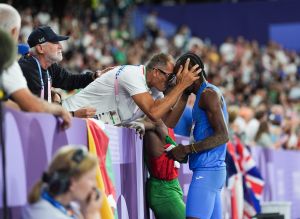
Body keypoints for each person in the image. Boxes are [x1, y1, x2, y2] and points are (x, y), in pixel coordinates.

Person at [167, 52, 229, 219]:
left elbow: (223, 135)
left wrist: (188, 149)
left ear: (193, 71)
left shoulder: (208, 95)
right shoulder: (199, 94)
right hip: (212, 170)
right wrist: (184, 92)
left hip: (207, 170)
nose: (177, 79)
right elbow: (170, 123)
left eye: (179, 74)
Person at [63, 53, 201, 127]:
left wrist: (184, 92)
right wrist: (181, 85)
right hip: (69, 117)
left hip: (87, 126)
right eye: (170, 76)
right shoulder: (133, 75)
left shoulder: (154, 91)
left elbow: (169, 122)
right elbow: (153, 113)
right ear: (156, 72)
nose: (171, 80)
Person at [0, 4, 71, 129]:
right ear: (13, 31)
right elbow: (30, 105)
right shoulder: (8, 61)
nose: (60, 46)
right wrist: (59, 110)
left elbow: (6, 102)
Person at [18, 26, 104, 118]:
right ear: (40, 48)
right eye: (55, 43)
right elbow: (36, 111)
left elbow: (69, 80)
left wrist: (95, 76)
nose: (61, 47)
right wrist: (73, 115)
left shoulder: (49, 65)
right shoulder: (27, 69)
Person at [23, 145, 102, 219]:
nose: (95, 185)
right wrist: (91, 214)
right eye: (91, 179)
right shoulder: (44, 214)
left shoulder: (69, 207)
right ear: (72, 183)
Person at [143, 118, 185, 219]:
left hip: (173, 185)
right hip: (163, 192)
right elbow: (149, 123)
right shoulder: (155, 123)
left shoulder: (165, 124)